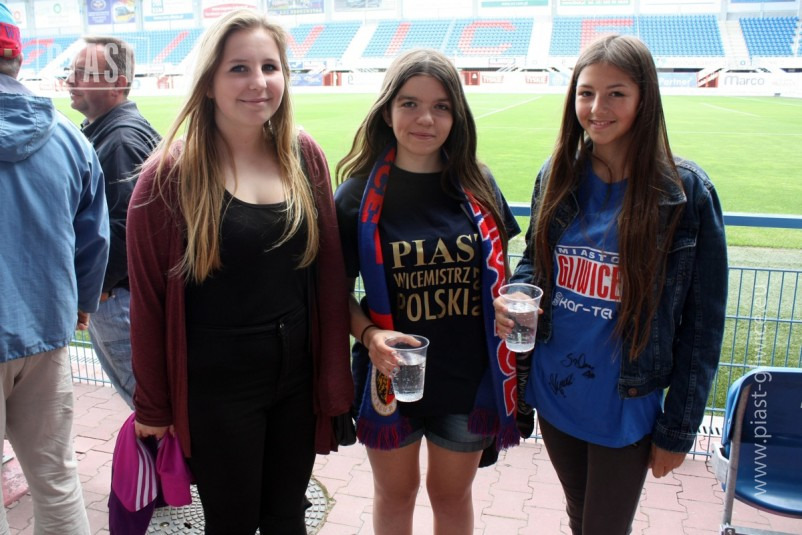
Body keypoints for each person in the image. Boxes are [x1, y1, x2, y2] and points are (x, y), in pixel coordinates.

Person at [126, 9, 353, 534]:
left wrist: (332, 379)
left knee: (286, 518)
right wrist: (154, 408)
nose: (259, 82)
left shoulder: (303, 155)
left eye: (270, 67)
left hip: (295, 381)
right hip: (217, 389)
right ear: (208, 82)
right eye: (239, 69)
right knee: (231, 523)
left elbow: (328, 275)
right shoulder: (168, 177)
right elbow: (149, 306)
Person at [494, 34, 728, 535]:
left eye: (616, 93)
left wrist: (679, 429)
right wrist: (516, 293)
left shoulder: (685, 192)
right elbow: (535, 261)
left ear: (645, 98)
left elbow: (703, 325)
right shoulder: (557, 174)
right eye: (586, 93)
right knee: (581, 516)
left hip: (626, 402)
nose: (597, 108)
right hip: (555, 390)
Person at [334, 48, 521, 535]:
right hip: (390, 377)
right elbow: (334, 295)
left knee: (451, 496)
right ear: (387, 111)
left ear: (457, 116)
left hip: (467, 379)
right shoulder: (355, 196)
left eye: (441, 106)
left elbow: (502, 275)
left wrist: (508, 305)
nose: (426, 119)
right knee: (395, 495)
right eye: (410, 104)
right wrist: (370, 335)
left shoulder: (478, 184)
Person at [0, 3, 109, 532]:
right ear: (17, 57)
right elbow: (94, 238)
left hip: (40, 326)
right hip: (46, 328)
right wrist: (82, 304)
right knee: (57, 479)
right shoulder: (70, 137)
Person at [66, 35, 161, 409]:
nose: (70, 80)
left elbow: (125, 230)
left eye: (83, 73)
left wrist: (94, 292)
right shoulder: (115, 131)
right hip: (121, 297)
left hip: (118, 300)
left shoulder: (120, 140)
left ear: (118, 83)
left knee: (151, 408)